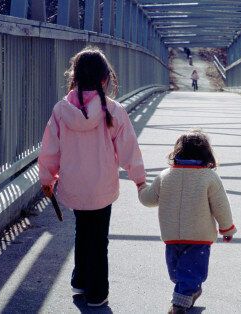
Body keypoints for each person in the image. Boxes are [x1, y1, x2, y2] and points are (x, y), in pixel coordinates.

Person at [38, 46, 146, 307]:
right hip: (102, 187)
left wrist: (47, 179)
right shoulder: (113, 110)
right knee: (99, 238)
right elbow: (129, 148)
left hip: (74, 185)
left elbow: (50, 149)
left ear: (74, 77)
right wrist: (140, 179)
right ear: (104, 79)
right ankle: (97, 292)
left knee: (82, 230)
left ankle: (80, 280)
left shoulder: (61, 110)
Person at [137, 130, 237, 314]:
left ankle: (179, 305)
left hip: (177, 236)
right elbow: (221, 206)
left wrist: (141, 187)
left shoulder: (166, 175)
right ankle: (190, 291)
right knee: (182, 273)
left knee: (182, 272)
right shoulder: (209, 177)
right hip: (198, 236)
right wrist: (227, 229)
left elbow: (149, 199)